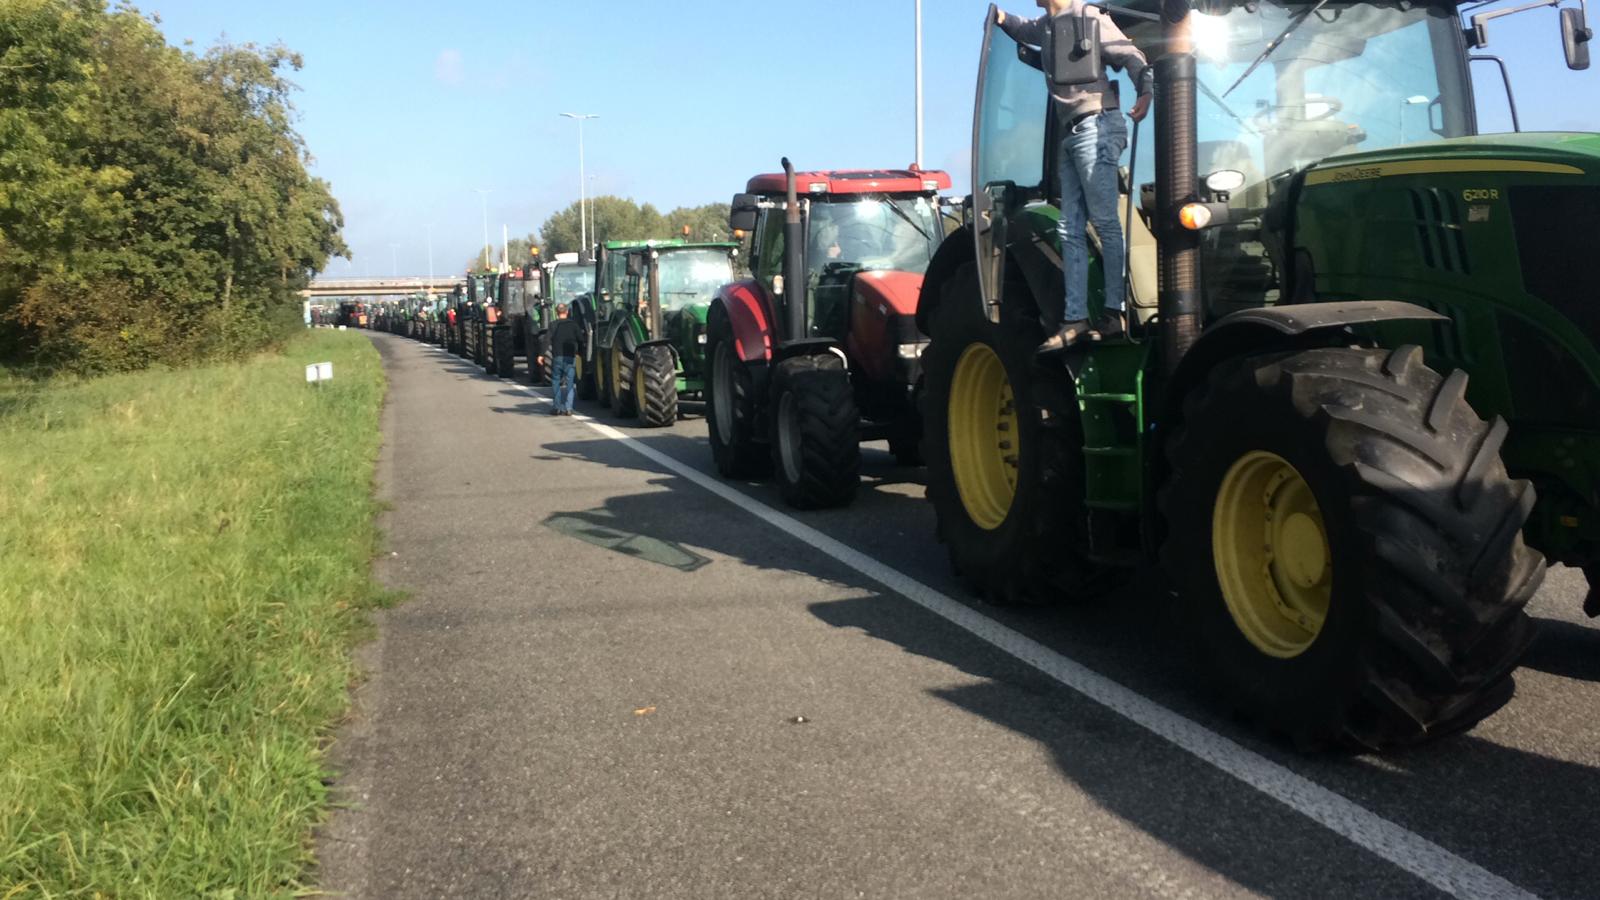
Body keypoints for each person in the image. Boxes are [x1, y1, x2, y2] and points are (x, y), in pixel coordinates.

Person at [997, 1, 1151, 351]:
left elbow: (1130, 54)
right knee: (1069, 228)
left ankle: (1116, 312)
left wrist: (1146, 91)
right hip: (1072, 133)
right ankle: (1076, 319)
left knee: (1105, 222)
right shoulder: (1047, 24)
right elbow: (1023, 28)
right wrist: (1001, 19)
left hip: (1097, 126)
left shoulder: (1089, 18)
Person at [546, 303, 582, 416]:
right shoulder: (574, 325)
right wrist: (580, 352)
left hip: (557, 357)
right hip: (570, 358)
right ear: (567, 312)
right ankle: (569, 408)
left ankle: (556, 407)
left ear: (556, 312)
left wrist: (541, 355)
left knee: (556, 382)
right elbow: (580, 339)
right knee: (570, 383)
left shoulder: (553, 325)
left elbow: (546, 340)